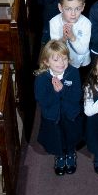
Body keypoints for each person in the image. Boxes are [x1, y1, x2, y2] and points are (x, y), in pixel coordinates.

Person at [34, 39, 83, 176]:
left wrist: (62, 90)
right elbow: (41, 99)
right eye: (56, 60)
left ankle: (70, 153)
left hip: (70, 114)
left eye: (64, 59)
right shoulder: (42, 78)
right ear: (46, 62)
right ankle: (60, 155)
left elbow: (77, 96)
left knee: (70, 135)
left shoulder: (73, 73)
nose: (61, 63)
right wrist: (55, 93)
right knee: (56, 137)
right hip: (52, 116)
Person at [44, 0, 92, 71]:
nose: (73, 13)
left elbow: (83, 51)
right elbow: (55, 49)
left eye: (77, 8)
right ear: (60, 8)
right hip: (63, 64)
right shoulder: (54, 22)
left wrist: (72, 38)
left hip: (82, 63)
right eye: (68, 9)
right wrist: (64, 38)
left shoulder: (86, 23)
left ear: (83, 7)